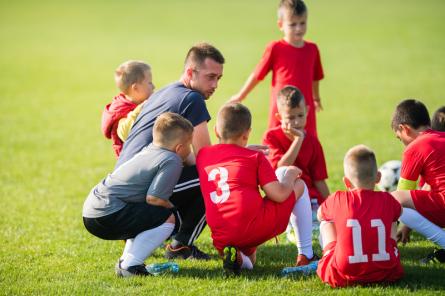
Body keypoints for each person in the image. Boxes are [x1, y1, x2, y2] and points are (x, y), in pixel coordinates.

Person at [116, 42, 225, 260]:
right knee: (214, 179)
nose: (215, 84)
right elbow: (207, 159)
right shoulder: (192, 99)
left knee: (198, 177)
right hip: (140, 192)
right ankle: (180, 245)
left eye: (218, 78)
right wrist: (240, 156)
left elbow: (188, 157)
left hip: (123, 188)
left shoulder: (166, 91)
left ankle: (158, 231)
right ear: (190, 72)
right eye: (210, 77)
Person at [196, 103, 315, 276]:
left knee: (250, 261)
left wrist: (241, 150)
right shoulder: (254, 157)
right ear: (247, 135)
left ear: (216, 131)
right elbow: (280, 195)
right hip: (251, 225)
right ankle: (306, 254)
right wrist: (290, 175)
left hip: (221, 235)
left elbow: (228, 158)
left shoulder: (203, 156)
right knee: (299, 186)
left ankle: (236, 257)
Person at [83, 113, 193, 277]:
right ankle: (131, 266)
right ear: (178, 148)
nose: (190, 149)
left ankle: (126, 263)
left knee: (147, 215)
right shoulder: (172, 159)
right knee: (167, 218)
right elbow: (154, 198)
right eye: (189, 145)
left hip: (92, 211)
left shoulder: (149, 149)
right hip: (107, 213)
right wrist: (173, 209)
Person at [230, 0, 324, 138]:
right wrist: (241, 95)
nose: (298, 28)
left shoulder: (312, 49)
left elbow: (315, 77)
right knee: (276, 140)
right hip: (281, 107)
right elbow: (258, 74)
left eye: (302, 23)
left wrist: (316, 98)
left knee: (307, 141)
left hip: (304, 108)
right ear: (281, 25)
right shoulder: (276, 48)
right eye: (293, 24)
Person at [316, 145, 404, 287]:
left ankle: (329, 254)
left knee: (326, 223)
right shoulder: (388, 199)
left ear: (346, 182)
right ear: (378, 177)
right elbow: (399, 212)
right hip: (387, 271)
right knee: (393, 219)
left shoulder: (338, 198)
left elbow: (320, 215)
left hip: (342, 273)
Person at [390, 99, 445, 264]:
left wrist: (401, 225)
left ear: (404, 129)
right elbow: (427, 188)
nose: (403, 144)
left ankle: (387, 248)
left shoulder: (415, 147)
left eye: (400, 138)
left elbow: (401, 196)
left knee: (393, 199)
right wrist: (407, 226)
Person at [263, 85, 329, 205]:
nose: (297, 121)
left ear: (307, 111)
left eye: (300, 115)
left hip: (310, 200)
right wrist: (298, 140)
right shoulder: (271, 137)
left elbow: (319, 181)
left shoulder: (313, 142)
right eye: (291, 117)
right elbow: (280, 168)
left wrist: (331, 204)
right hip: (284, 200)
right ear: (279, 117)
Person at [101, 60, 155, 157]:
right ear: (136, 88)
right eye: (150, 83)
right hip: (131, 162)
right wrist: (141, 109)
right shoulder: (120, 111)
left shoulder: (136, 102)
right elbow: (125, 133)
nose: (153, 86)